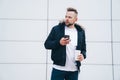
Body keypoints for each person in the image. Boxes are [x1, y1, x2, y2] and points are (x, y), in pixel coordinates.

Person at [44, 7, 86, 80]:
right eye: (66, 16)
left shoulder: (80, 32)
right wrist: (59, 43)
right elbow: (47, 44)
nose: (67, 19)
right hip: (58, 69)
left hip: (74, 70)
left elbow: (83, 49)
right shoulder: (57, 29)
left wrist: (83, 55)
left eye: (70, 17)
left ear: (76, 19)